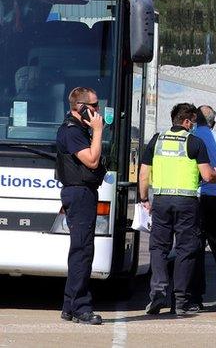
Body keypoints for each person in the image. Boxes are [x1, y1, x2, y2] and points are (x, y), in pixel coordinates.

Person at [139, 103, 216, 316]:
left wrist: (143, 199)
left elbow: (143, 174)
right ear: (186, 121)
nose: (194, 126)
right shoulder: (195, 142)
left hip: (161, 200)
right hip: (186, 202)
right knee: (187, 249)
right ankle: (181, 300)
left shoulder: (156, 140)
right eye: (193, 122)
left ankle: (158, 288)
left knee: (158, 247)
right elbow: (206, 175)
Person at [55, 87, 107, 325]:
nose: (98, 110)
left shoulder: (78, 130)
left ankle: (69, 305)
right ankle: (80, 307)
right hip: (79, 193)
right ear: (81, 107)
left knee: (80, 249)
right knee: (82, 251)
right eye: (94, 105)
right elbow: (92, 160)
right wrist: (98, 131)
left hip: (81, 192)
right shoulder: (73, 131)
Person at [189, 104, 216, 307]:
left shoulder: (190, 140)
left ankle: (196, 297)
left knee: (195, 249)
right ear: (213, 123)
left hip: (194, 200)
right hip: (214, 200)